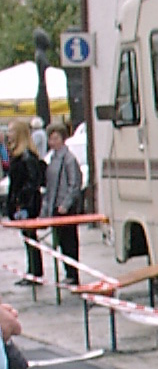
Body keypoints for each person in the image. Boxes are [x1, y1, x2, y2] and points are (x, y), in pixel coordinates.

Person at [41, 119, 84, 286]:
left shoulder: (68, 158)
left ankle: (73, 274)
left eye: (56, 138)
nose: (53, 142)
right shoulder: (53, 159)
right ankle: (68, 272)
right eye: (50, 139)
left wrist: (65, 204)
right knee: (61, 242)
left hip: (65, 208)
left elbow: (74, 183)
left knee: (69, 242)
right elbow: (50, 186)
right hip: (55, 206)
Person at [5, 118, 45, 283]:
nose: (8, 134)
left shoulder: (26, 156)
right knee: (28, 238)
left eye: (12, 130)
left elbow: (31, 181)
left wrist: (20, 200)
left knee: (30, 237)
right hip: (22, 202)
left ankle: (35, 272)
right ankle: (33, 271)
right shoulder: (18, 155)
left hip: (26, 204)